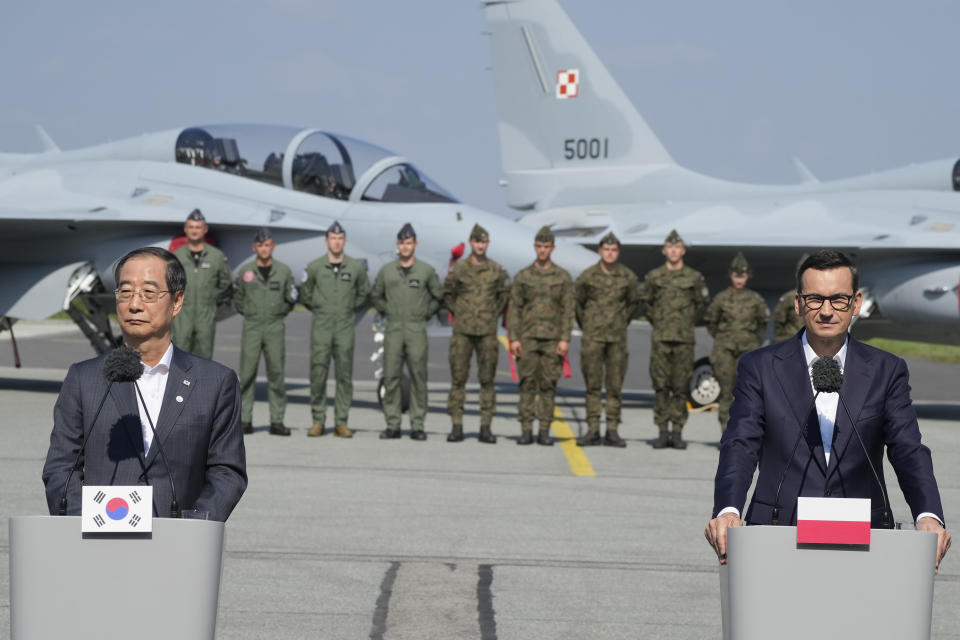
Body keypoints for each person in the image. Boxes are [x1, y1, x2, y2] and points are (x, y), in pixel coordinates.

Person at [705, 250, 951, 571]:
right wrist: (727, 509)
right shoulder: (760, 368)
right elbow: (741, 444)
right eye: (814, 299)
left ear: (856, 303)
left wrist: (928, 515)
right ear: (797, 303)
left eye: (838, 299)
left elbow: (908, 449)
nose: (826, 311)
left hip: (864, 537)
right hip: (778, 531)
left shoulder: (885, 370)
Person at [42, 247, 247, 522]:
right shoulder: (84, 379)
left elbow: (227, 472)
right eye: (125, 292)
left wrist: (195, 528)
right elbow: (61, 468)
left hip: (179, 546)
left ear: (177, 301)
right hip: (99, 543)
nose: (134, 305)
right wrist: (88, 523)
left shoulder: (215, 383)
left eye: (149, 294)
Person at [371, 223, 443, 440]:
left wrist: (424, 314)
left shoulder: (426, 271)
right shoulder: (387, 271)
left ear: (415, 245)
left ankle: (417, 425)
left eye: (409, 243)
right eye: (402, 243)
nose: (405, 247)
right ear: (398, 245)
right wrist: (387, 310)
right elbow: (375, 295)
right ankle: (392, 424)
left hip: (416, 329)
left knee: (418, 377)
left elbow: (438, 296)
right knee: (391, 376)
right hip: (393, 328)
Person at [638, 229, 709, 449]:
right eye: (670, 247)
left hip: (684, 338)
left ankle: (677, 431)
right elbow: (646, 304)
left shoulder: (693, 277)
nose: (674, 251)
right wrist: (659, 321)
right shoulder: (655, 276)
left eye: (677, 247)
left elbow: (701, 306)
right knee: (661, 386)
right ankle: (662, 431)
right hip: (661, 337)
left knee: (679, 386)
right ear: (664, 250)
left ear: (683, 251)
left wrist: (686, 322)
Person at [300, 221, 370, 438]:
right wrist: (321, 308)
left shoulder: (355, 268)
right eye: (333, 238)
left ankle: (341, 422)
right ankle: (318, 421)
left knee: (344, 375)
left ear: (344, 241)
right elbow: (306, 294)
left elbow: (363, 293)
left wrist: (348, 308)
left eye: (340, 239)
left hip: (345, 328)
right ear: (326, 241)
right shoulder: (315, 267)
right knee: (318, 374)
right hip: (321, 327)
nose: (336, 242)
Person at [507, 226, 574, 446]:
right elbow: (514, 309)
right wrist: (514, 338)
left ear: (552, 248)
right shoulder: (524, 276)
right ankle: (526, 429)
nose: (542, 250)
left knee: (548, 385)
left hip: (552, 339)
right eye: (539, 246)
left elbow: (567, 310)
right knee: (527, 384)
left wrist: (565, 338)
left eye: (546, 247)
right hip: (527, 338)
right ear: (535, 247)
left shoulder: (562, 277)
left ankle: (544, 430)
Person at [444, 224, 510, 443]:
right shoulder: (459, 269)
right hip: (463, 331)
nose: (480, 245)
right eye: (477, 242)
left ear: (487, 244)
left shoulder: (496, 270)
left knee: (487, 380)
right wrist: (462, 312)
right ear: (471, 243)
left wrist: (490, 314)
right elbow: (448, 294)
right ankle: (456, 426)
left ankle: (485, 427)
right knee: (458, 380)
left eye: (484, 242)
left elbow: (503, 296)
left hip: (487, 332)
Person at [574, 231, 639, 447]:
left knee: (614, 386)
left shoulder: (628, 277)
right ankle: (593, 429)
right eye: (606, 250)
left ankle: (612, 430)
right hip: (593, 337)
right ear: (600, 251)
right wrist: (590, 325)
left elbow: (632, 305)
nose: (610, 253)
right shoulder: (587, 276)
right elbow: (579, 305)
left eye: (614, 250)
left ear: (617, 252)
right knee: (592, 386)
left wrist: (619, 323)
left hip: (617, 339)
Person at [233, 228, 297, 436]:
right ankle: (245, 420)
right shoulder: (246, 272)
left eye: (267, 244)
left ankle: (277, 420)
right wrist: (252, 314)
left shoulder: (284, 271)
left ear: (273, 246)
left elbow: (290, 299)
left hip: (274, 326)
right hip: (252, 325)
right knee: (248, 374)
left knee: (276, 374)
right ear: (255, 247)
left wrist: (277, 314)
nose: (264, 248)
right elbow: (239, 300)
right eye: (260, 245)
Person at [703, 252, 769, 432]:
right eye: (736, 275)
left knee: (747, 393)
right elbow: (711, 321)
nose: (739, 279)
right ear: (731, 275)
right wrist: (723, 338)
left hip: (748, 351)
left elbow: (762, 323)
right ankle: (726, 431)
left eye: (743, 275)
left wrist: (752, 340)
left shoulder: (755, 299)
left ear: (747, 276)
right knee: (726, 393)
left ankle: (743, 432)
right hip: (725, 351)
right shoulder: (721, 298)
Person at [172, 209, 233, 359]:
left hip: (206, 316)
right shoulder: (176, 256)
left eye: (198, 227)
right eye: (191, 227)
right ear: (185, 229)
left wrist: (212, 299)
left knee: (204, 358)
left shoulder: (216, 256)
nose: (194, 231)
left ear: (205, 229)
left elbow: (226, 283)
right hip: (182, 315)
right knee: (179, 357)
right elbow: (168, 282)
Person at [773, 253, 810, 341]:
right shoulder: (788, 298)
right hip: (792, 341)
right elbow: (778, 322)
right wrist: (783, 340)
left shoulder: (822, 296)